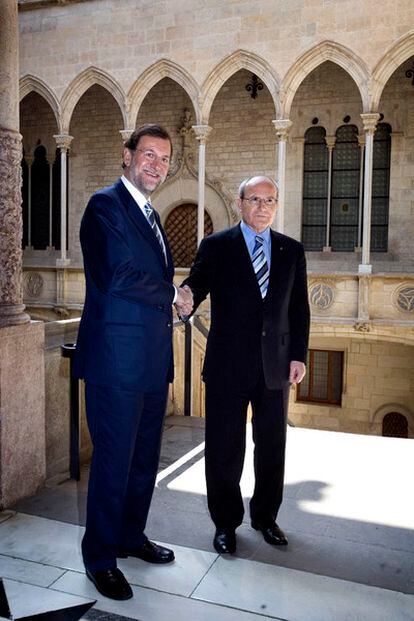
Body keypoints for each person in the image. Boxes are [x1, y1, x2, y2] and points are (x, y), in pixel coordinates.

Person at [73, 124, 193, 600]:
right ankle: (99, 557)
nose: (155, 165)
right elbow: (117, 275)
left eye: (163, 159)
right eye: (147, 154)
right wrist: (173, 294)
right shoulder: (105, 206)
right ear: (127, 155)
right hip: (115, 364)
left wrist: (175, 298)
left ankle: (129, 536)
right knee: (112, 463)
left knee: (144, 462)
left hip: (149, 363)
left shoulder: (151, 214)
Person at [182, 175, 310, 554]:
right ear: (240, 203)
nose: (261, 207)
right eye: (254, 199)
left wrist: (298, 355)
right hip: (227, 366)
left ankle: (266, 517)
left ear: (276, 205)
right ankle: (225, 523)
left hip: (275, 367)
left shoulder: (291, 250)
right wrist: (181, 298)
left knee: (271, 446)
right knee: (224, 448)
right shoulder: (217, 246)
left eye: (269, 200)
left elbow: (299, 309)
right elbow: (196, 286)